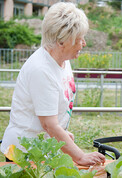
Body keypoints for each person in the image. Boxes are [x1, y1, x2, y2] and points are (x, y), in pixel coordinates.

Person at [1, 2, 105, 166]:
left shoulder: (62, 60)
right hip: (26, 154)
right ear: (61, 41)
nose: (83, 43)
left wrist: (61, 134)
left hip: (43, 148)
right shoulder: (41, 70)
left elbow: (51, 118)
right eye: (79, 39)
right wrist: (80, 156)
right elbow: (49, 124)